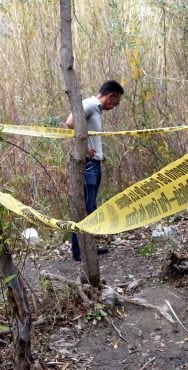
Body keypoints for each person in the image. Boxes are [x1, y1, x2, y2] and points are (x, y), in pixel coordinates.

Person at [65, 80, 124, 261]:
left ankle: (88, 247)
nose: (115, 106)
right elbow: (69, 122)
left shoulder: (96, 109)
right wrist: (84, 148)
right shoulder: (91, 104)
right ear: (111, 96)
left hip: (95, 164)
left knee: (91, 207)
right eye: (117, 101)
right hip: (89, 166)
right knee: (86, 207)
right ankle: (79, 251)